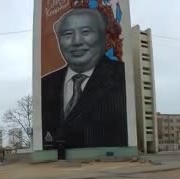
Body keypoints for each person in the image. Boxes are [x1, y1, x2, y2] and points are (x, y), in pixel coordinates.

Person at [41, 7, 128, 151]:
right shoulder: (45, 85)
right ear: (58, 40)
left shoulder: (122, 77)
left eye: (86, 32)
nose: (76, 41)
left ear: (104, 37)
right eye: (67, 34)